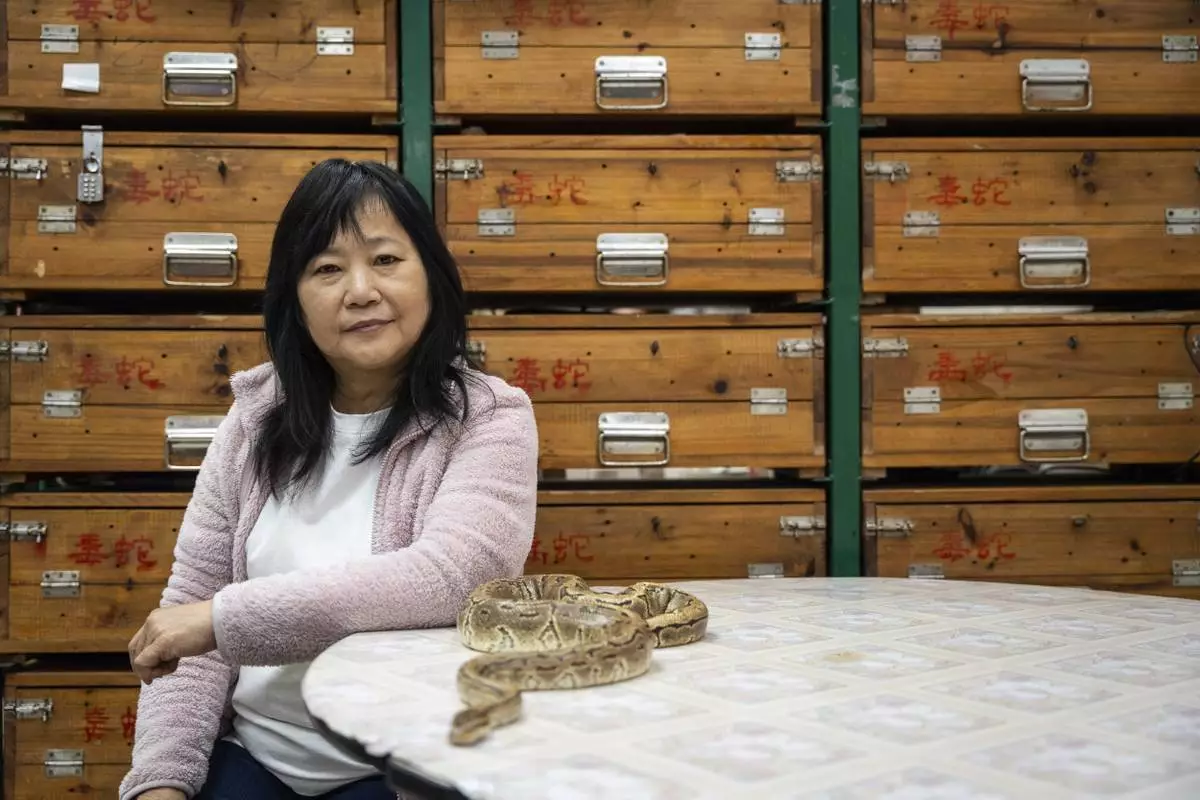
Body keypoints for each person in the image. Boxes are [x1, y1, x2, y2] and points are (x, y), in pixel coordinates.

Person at [119, 159, 540, 800]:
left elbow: (454, 575)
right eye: (326, 269)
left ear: (433, 275)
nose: (360, 290)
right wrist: (160, 784)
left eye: (386, 260)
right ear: (295, 299)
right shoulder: (254, 418)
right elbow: (192, 608)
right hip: (254, 758)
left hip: (396, 768)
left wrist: (226, 619)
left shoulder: (489, 418)